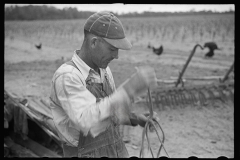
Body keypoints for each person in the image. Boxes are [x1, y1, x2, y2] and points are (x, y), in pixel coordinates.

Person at [49, 11, 158, 158]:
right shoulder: (67, 76)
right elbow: (87, 121)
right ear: (94, 42)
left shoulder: (104, 71)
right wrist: (129, 89)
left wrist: (134, 118)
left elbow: (106, 110)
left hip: (114, 150)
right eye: (112, 49)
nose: (117, 56)